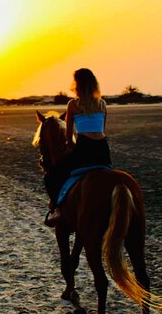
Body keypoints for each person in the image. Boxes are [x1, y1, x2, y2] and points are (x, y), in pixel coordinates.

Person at [45, 68, 112, 225]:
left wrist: (70, 146)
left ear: (77, 85)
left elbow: (69, 136)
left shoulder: (73, 105)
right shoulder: (102, 104)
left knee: (51, 177)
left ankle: (58, 210)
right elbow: (102, 130)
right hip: (103, 150)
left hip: (85, 148)